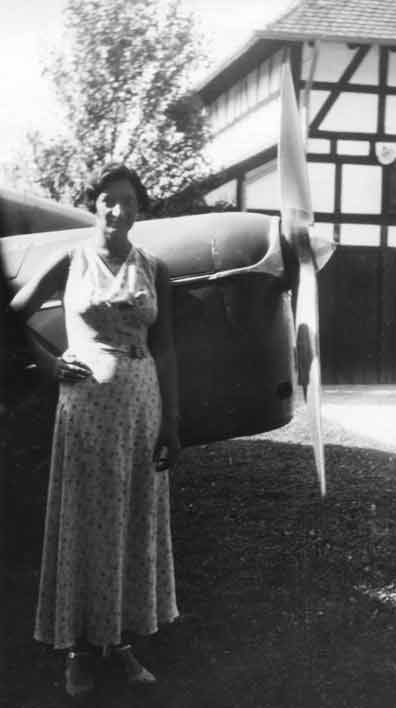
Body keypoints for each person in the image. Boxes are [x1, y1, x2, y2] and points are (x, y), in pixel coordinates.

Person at [10, 163, 181, 696]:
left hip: (140, 409)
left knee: (133, 522)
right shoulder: (71, 260)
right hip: (84, 411)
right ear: (95, 204)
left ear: (139, 208)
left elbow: (168, 347)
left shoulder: (154, 267)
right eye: (107, 199)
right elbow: (11, 315)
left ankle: (123, 644)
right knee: (86, 522)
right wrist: (47, 364)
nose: (116, 209)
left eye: (127, 200)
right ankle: (79, 653)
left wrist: (171, 423)